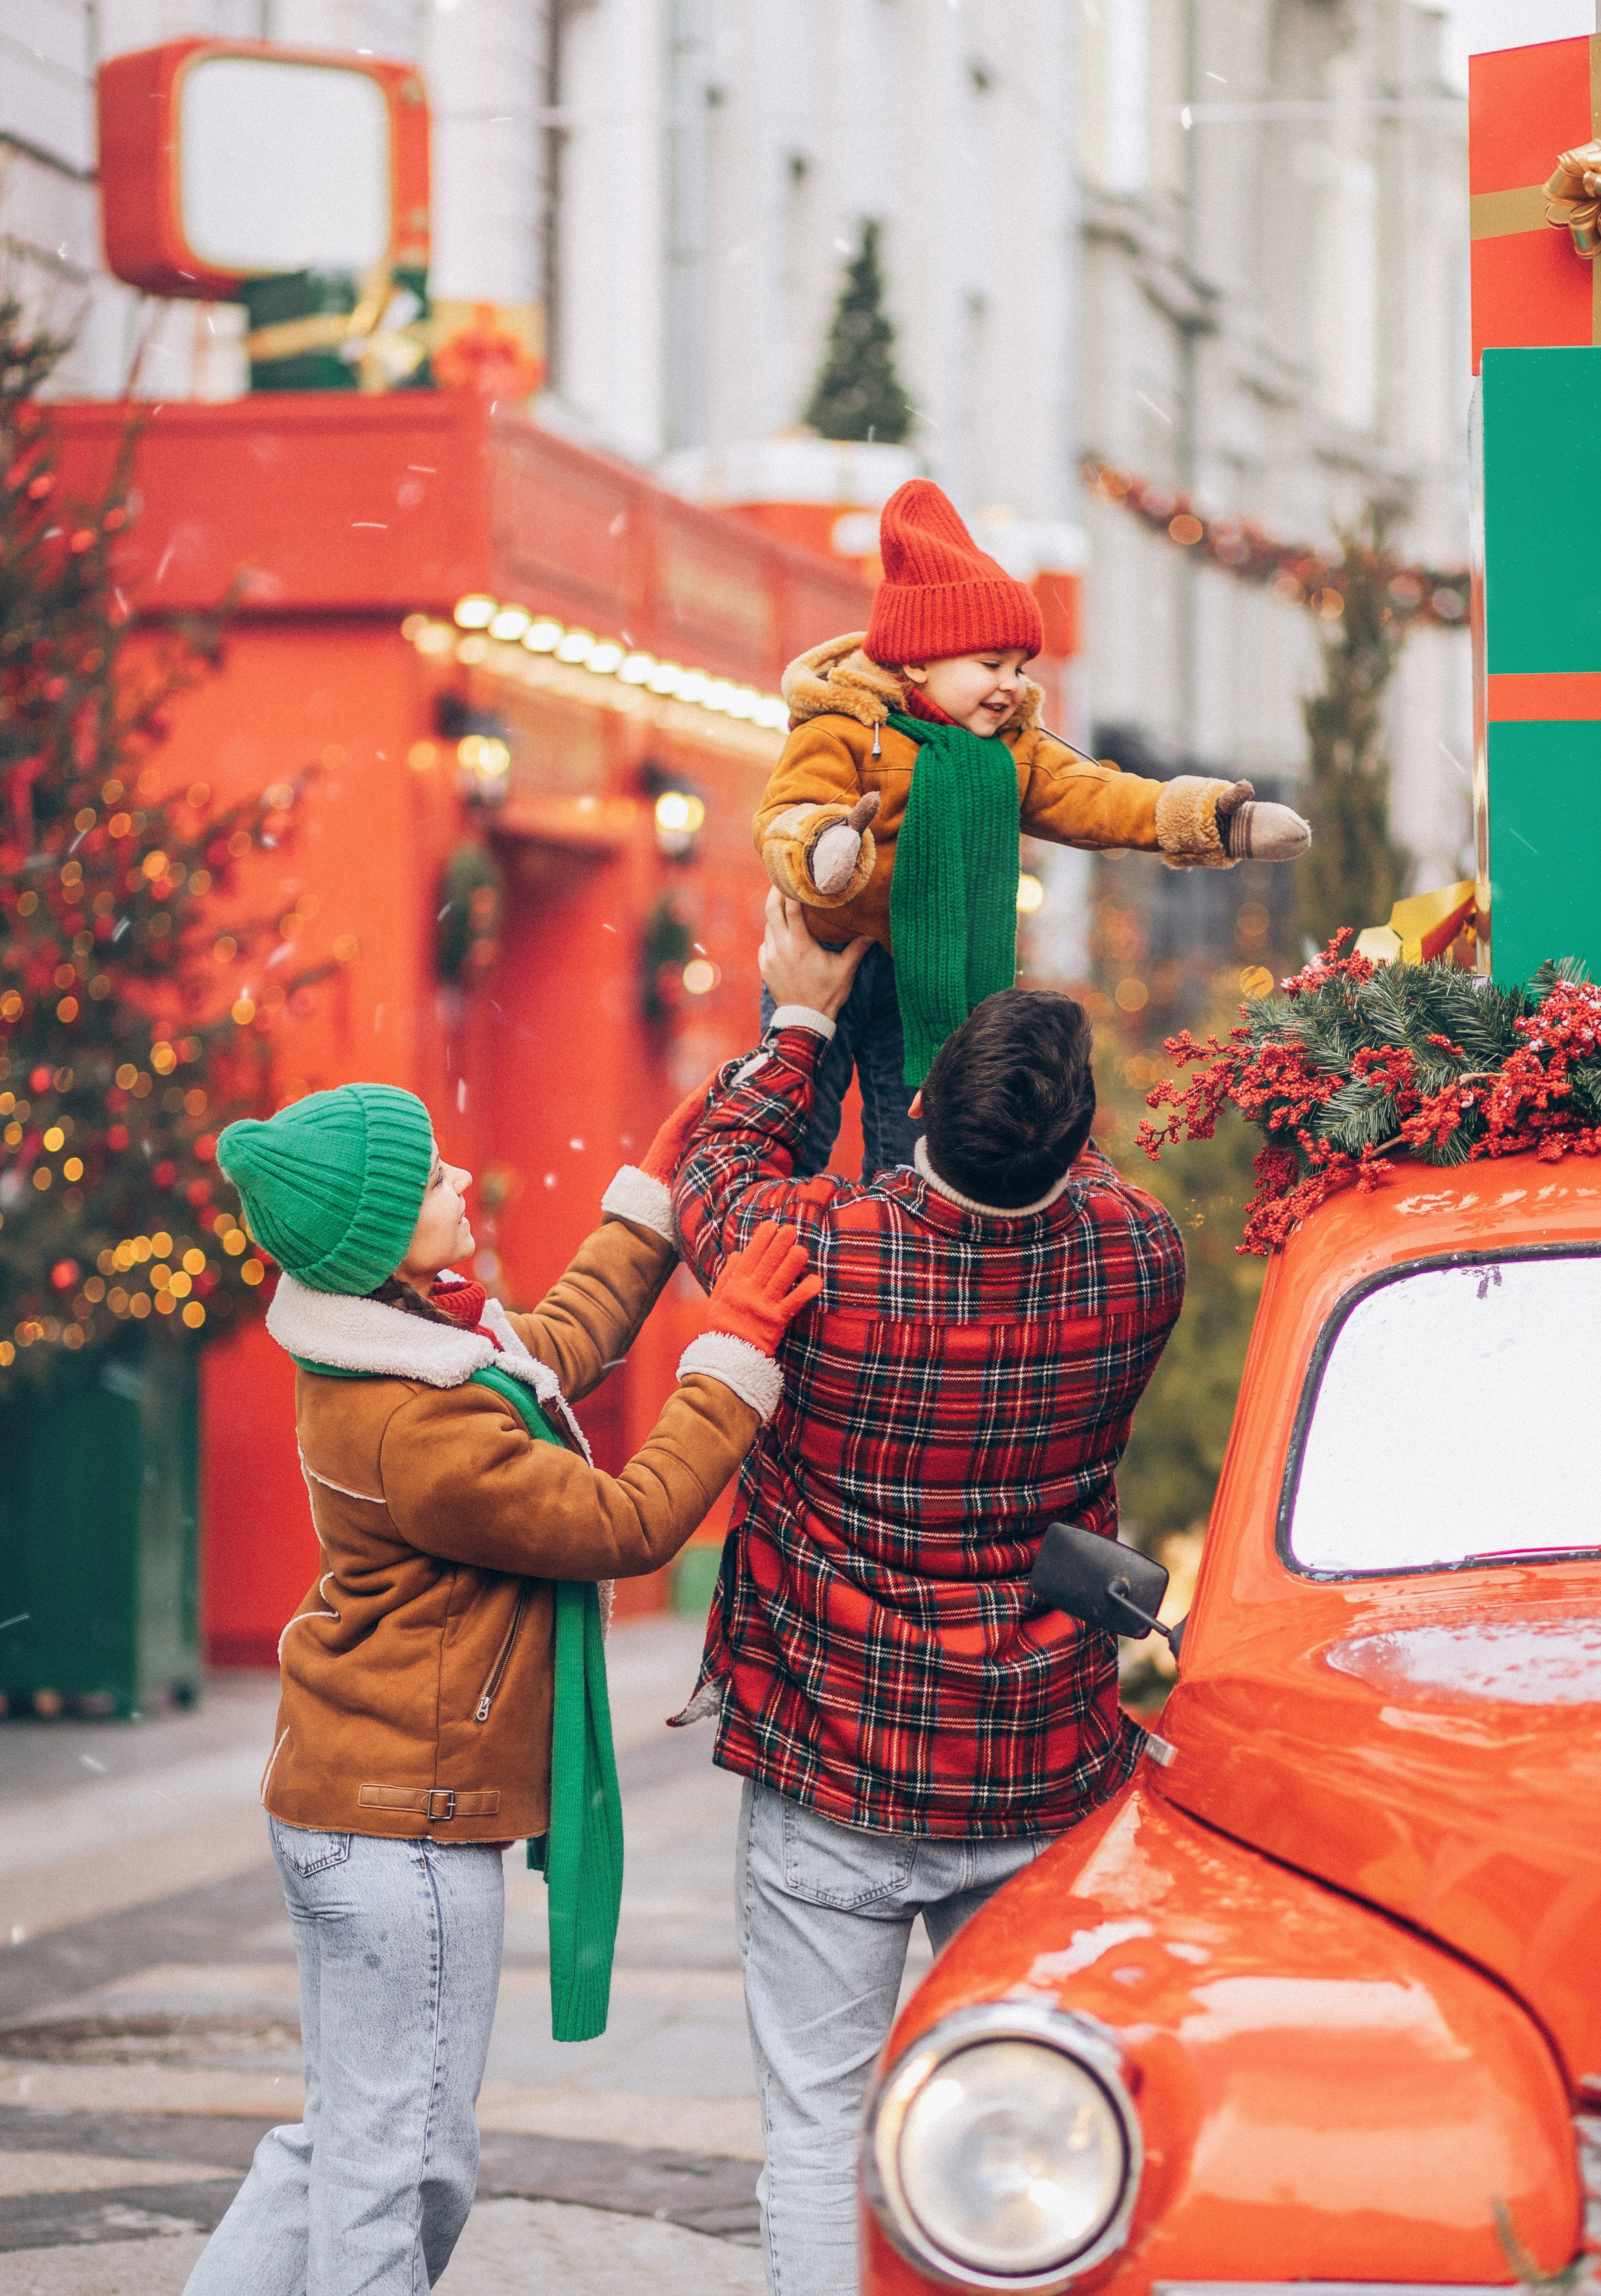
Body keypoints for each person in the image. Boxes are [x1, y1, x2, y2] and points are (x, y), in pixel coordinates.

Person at [185, 1077, 817, 2296]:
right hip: (397, 1827)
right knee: (405, 2165)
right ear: (376, 1241)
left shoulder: (417, 1339)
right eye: (428, 1180)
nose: (459, 1180)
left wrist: (644, 1205)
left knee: (344, 2140)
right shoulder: (417, 1418)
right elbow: (627, 1520)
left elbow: (558, 1345)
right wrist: (733, 1351)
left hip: (353, 1802)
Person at [670, 895, 1190, 2296]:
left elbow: (710, 1168)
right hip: (1036, 1771)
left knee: (814, 2134)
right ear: (1073, 1141)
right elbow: (1086, 1214)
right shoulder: (1139, 1258)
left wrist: (797, 1016)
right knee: (1028, 2137)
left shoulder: (817, 1258)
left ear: (917, 1109)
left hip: (829, 1761)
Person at [752, 476, 1310, 1176]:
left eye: (1019, 666)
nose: (1012, 684)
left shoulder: (1009, 750)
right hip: (825, 953)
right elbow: (787, 810)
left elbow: (1096, 795)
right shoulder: (841, 727)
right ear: (918, 658)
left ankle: (907, 1244)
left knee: (918, 1134)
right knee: (799, 1115)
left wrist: (1210, 819)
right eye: (990, 664)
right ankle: (782, 1232)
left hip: (929, 970)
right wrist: (826, 843)